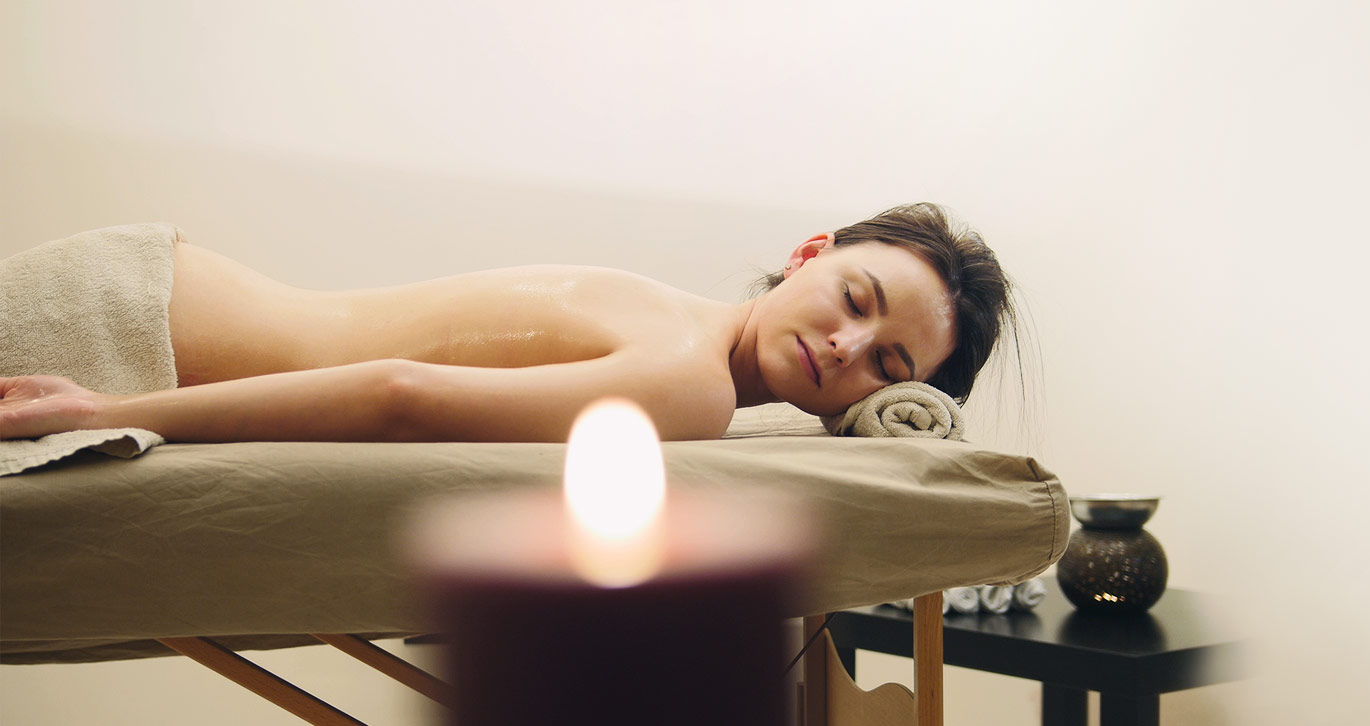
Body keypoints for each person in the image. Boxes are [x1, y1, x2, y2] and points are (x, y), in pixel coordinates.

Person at [0, 203, 1015, 443]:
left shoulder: (672, 317)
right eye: (855, 301)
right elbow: (401, 394)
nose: (845, 348)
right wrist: (110, 412)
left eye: (886, 365)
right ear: (810, 253)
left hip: (161, 289)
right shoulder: (693, 382)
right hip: (135, 332)